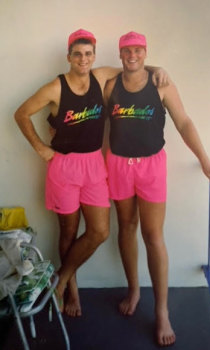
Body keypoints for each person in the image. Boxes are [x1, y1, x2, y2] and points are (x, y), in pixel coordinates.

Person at [14, 29, 169, 318]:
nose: (83, 59)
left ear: (94, 56)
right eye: (77, 54)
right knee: (69, 231)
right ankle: (71, 293)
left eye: (88, 54)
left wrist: (157, 68)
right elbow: (21, 113)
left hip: (95, 165)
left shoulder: (100, 77)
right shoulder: (55, 87)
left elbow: (134, 65)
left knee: (99, 231)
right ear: (69, 57)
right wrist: (40, 148)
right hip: (65, 167)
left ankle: (58, 279)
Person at [103, 31, 210, 347]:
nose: (132, 55)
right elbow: (87, 81)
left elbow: (184, 122)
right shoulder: (110, 84)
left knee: (153, 235)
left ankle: (162, 312)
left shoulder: (162, 85)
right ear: (120, 54)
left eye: (139, 50)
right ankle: (134, 290)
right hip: (117, 163)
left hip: (151, 167)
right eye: (127, 50)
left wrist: (205, 160)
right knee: (126, 227)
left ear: (145, 52)